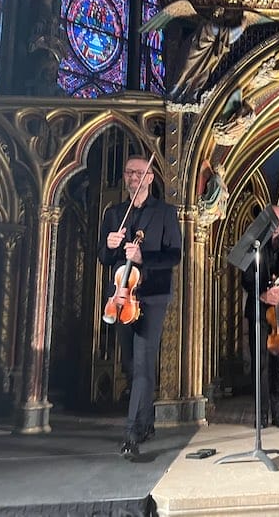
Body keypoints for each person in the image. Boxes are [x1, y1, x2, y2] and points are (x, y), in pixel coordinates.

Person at [97, 156, 182, 460]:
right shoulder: (115, 214)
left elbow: (175, 255)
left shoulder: (165, 213)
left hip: (152, 296)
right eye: (128, 172)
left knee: (144, 364)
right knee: (132, 365)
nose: (133, 177)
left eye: (138, 173)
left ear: (149, 178)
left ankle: (131, 432)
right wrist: (108, 246)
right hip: (121, 297)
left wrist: (145, 258)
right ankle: (147, 424)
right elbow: (104, 259)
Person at [241, 206, 279, 429]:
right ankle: (261, 413)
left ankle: (278, 411)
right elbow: (245, 279)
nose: (278, 223)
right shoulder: (252, 246)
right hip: (259, 308)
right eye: (274, 219)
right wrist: (262, 294)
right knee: (261, 364)